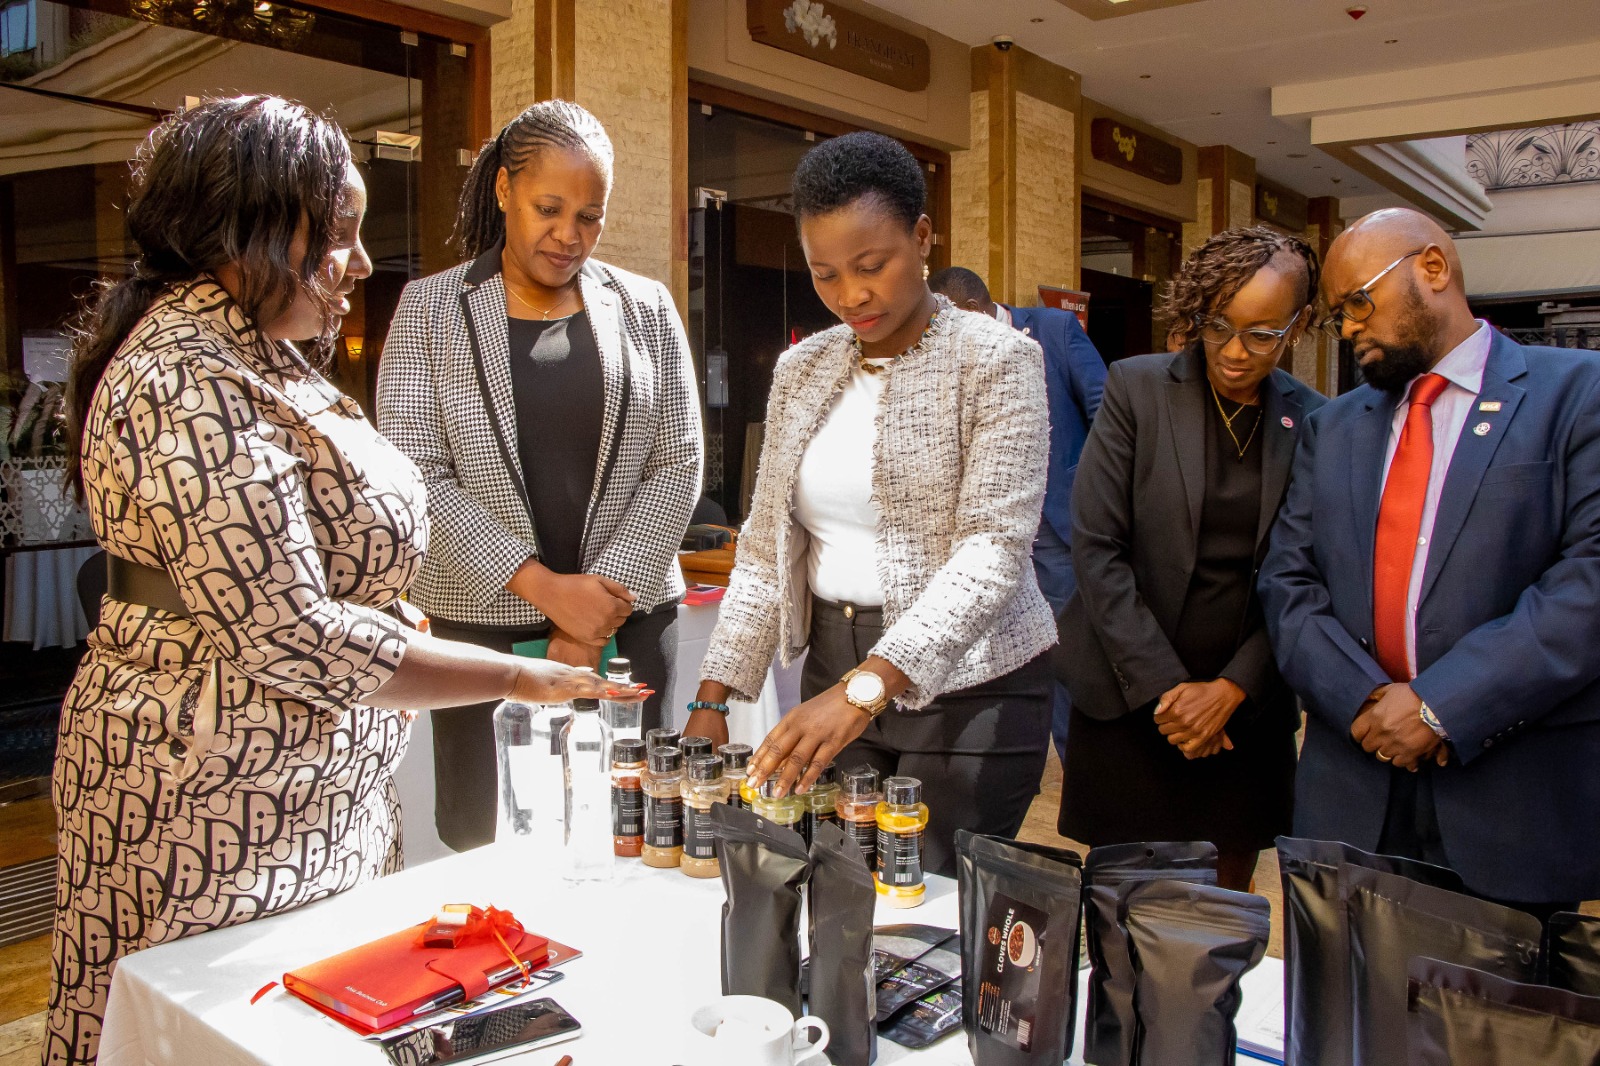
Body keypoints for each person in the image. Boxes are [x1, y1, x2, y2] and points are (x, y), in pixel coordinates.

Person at [48, 96, 643, 1066]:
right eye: (338, 235)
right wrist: (512, 674)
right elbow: (295, 633)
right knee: (215, 1035)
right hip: (207, 799)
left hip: (302, 794)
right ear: (247, 228)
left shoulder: (263, 357)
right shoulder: (183, 377)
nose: (360, 264)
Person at [689, 131, 1057, 877]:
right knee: (840, 894)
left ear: (923, 237)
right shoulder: (803, 368)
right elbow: (766, 547)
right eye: (825, 273)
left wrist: (867, 689)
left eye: (872, 266)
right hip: (834, 664)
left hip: (970, 691)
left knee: (927, 911)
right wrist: (713, 698)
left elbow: (993, 548)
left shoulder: (997, 361)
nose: (850, 295)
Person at [377, 100, 703, 851]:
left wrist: (591, 615)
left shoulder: (647, 307)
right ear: (502, 191)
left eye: (590, 216)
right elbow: (416, 472)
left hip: (626, 623)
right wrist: (549, 591)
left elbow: (679, 461)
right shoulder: (429, 310)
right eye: (549, 208)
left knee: (623, 824)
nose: (570, 236)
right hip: (481, 630)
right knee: (487, 833)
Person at [1260, 207, 1600, 917]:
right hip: (1352, 796)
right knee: (1348, 1022)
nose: (1349, 328)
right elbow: (1288, 583)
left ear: (1433, 269)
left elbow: (1588, 580)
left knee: (1502, 1025)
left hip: (1510, 794)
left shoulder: (1578, 393)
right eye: (1338, 315)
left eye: (1359, 302)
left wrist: (1442, 705)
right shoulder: (1332, 427)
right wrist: (1363, 703)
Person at [1056, 227, 1325, 891]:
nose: (1235, 352)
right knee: (1122, 910)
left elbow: (1308, 576)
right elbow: (1098, 546)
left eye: (1262, 334)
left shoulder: (1316, 420)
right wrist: (1169, 693)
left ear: (1298, 325)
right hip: (1130, 698)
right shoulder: (1138, 389)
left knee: (1222, 915)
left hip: (1244, 716)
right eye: (1218, 326)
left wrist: (1232, 690)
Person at [930, 265, 1106, 761]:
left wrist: (1098, 511)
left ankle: (1081, 765)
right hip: (985, 534)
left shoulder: (1054, 330)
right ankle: (1016, 757)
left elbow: (1109, 419)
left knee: (1068, 654)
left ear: (975, 311)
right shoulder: (948, 351)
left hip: (1060, 528)